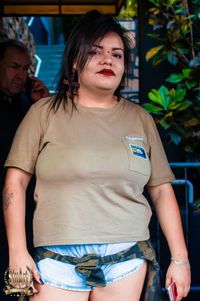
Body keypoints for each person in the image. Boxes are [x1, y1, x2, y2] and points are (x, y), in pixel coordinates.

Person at [2, 10, 190, 301]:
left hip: (126, 257)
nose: (108, 60)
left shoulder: (140, 119)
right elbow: (15, 183)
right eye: (96, 51)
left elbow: (162, 192)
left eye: (117, 54)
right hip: (56, 259)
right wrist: (17, 249)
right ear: (76, 61)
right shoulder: (44, 113)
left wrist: (181, 260)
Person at [0, 39, 49, 301]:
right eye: (14, 67)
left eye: (26, 68)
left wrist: (43, 104)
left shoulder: (29, 104)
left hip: (24, 208)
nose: (22, 75)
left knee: (21, 285)